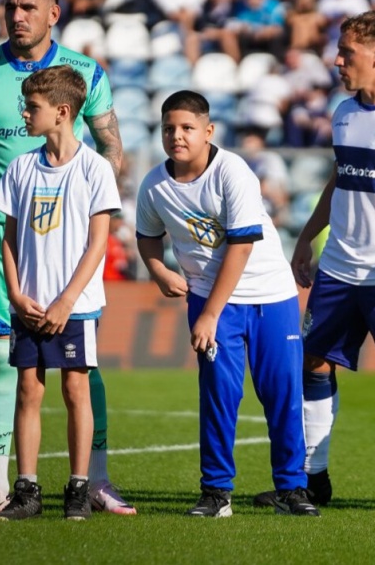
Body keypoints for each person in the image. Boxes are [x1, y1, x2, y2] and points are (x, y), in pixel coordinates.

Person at [0, 0, 134, 516]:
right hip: (1, 234)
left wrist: (94, 212)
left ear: (53, 13)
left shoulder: (86, 74)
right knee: (3, 360)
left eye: (28, 7)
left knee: (79, 368)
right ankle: (1, 484)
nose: (17, 16)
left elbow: (112, 148)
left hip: (67, 238)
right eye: (10, 6)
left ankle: (96, 480)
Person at [252, 11, 375, 512]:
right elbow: (339, 178)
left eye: (347, 53)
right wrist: (307, 238)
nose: (337, 61)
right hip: (338, 270)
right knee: (315, 365)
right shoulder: (343, 112)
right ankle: (312, 481)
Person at [135, 90, 318, 518]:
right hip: (209, 299)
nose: (176, 136)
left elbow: (240, 247)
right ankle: (216, 493)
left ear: (208, 131)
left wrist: (211, 315)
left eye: (186, 128)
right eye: (168, 129)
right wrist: (158, 269)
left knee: (283, 394)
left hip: (271, 296)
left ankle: (292, 489)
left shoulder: (233, 171)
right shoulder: (154, 185)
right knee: (219, 395)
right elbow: (147, 235)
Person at [0, 65, 121, 520]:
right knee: (27, 390)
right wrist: (14, 293)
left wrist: (67, 300)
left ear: (62, 113)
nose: (24, 114)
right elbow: (6, 238)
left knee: (75, 390)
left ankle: (79, 488)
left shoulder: (95, 168)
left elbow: (98, 242)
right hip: (28, 304)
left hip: (76, 306)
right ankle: (26, 491)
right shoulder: (20, 166)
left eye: (33, 107)